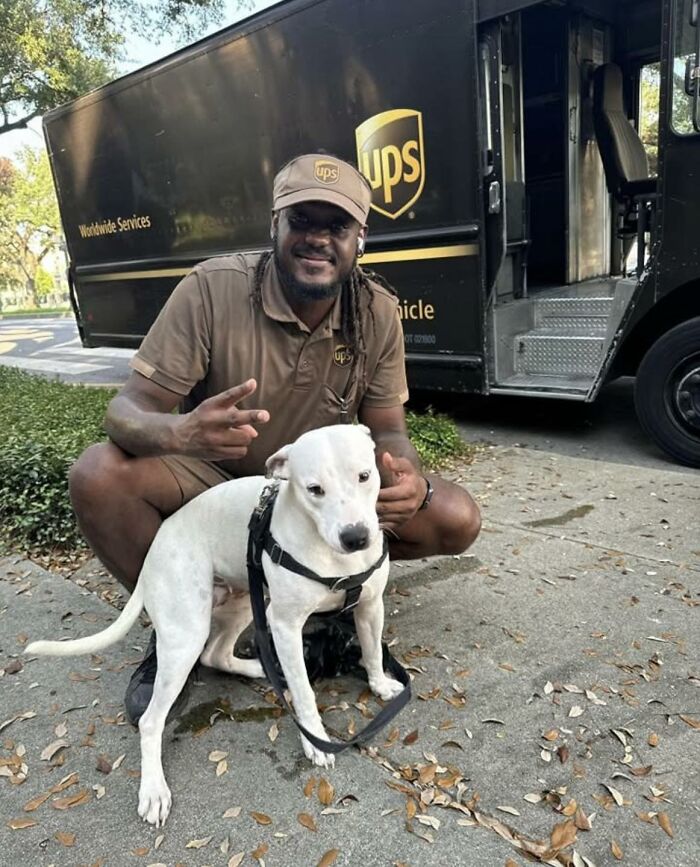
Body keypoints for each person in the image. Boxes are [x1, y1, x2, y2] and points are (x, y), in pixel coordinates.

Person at [68, 153, 481, 724]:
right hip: (218, 483)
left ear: (361, 238)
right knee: (98, 475)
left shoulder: (377, 311)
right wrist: (182, 430)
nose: (317, 240)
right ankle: (177, 631)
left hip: (320, 495)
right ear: (274, 227)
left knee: (455, 515)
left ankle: (330, 601)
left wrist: (405, 476)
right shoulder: (211, 289)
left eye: (335, 226)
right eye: (301, 222)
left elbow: (387, 429)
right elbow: (126, 412)